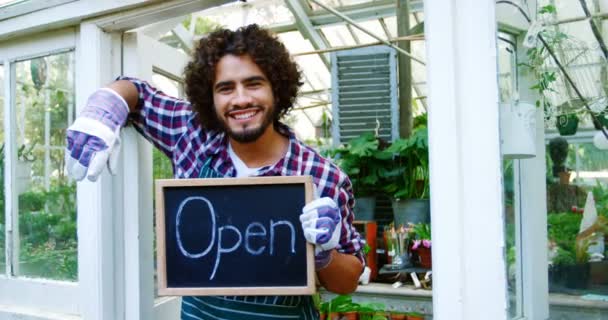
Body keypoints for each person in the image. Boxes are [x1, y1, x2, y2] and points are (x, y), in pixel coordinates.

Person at [65, 24, 364, 319]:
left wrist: (325, 253)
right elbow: (136, 93)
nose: (241, 99)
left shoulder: (324, 176)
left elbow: (347, 281)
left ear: (277, 88)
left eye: (254, 83)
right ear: (210, 97)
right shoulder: (191, 134)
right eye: (225, 88)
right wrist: (105, 107)